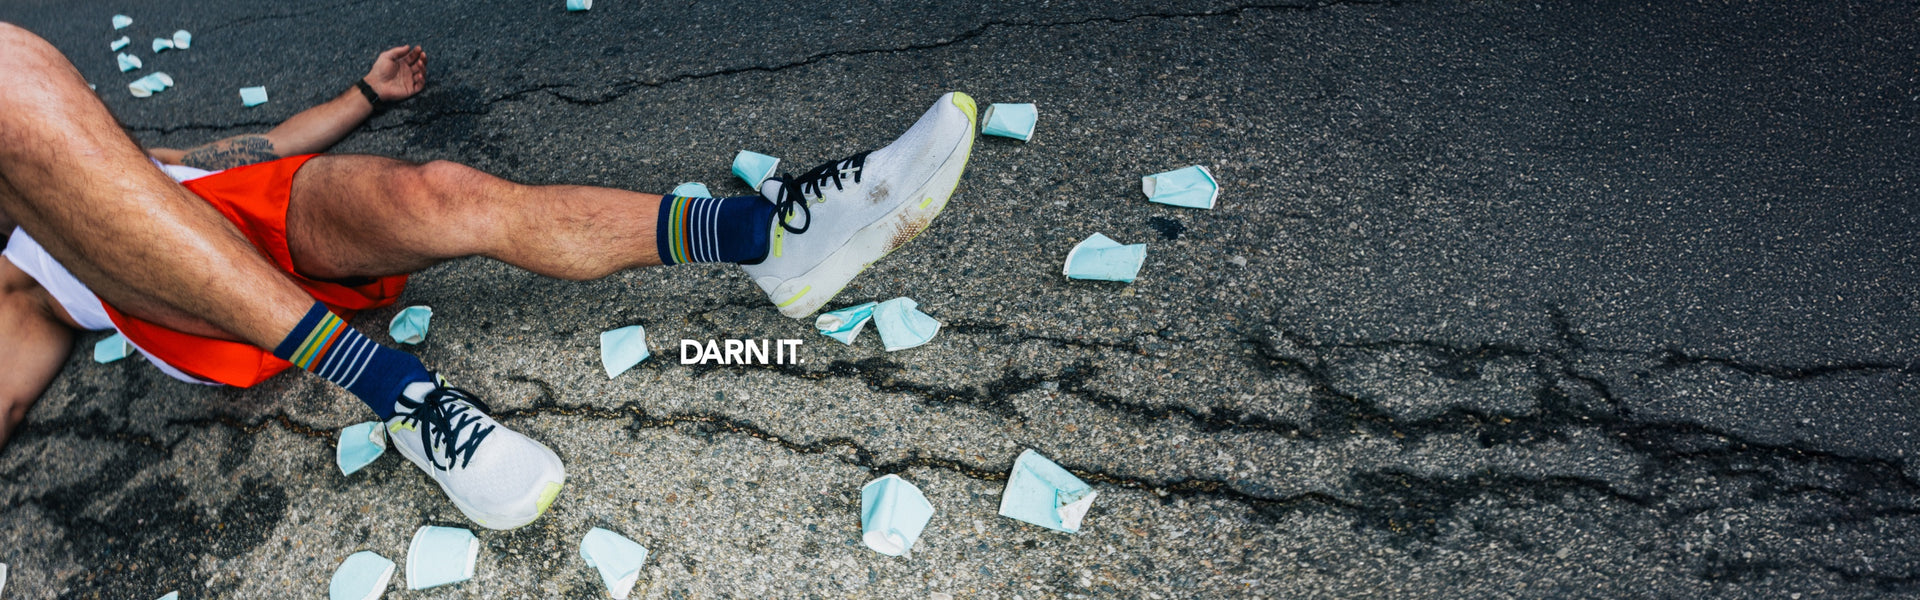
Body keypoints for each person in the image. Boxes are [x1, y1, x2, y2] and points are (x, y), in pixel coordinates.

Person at [0, 23, 977, 530]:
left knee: (442, 193)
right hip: (188, 312)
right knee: (18, 90)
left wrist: (364, 95)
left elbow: (251, 147)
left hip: (239, 203)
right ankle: (403, 395)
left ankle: (766, 236)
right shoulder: (13, 286)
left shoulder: (94, 155)